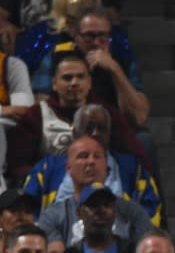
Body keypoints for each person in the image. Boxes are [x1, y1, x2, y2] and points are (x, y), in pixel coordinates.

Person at [6, 49, 144, 183]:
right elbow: (18, 165)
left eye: (80, 77)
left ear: (89, 83)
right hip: (51, 188)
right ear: (54, 84)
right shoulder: (35, 115)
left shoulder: (106, 113)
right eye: (67, 78)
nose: (74, 83)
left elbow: (133, 154)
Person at [23, 103, 162, 222]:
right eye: (89, 128)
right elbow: (27, 209)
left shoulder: (133, 168)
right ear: (75, 133)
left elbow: (151, 209)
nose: (95, 133)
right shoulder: (47, 168)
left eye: (101, 128)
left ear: (109, 133)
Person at [36, 136, 153, 253]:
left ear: (107, 168)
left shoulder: (133, 212)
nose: (91, 162)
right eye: (83, 156)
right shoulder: (52, 216)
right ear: (68, 168)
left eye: (97, 156)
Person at [44, 182, 135, 253]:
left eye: (107, 205)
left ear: (115, 212)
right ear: (79, 212)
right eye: (93, 205)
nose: (101, 210)